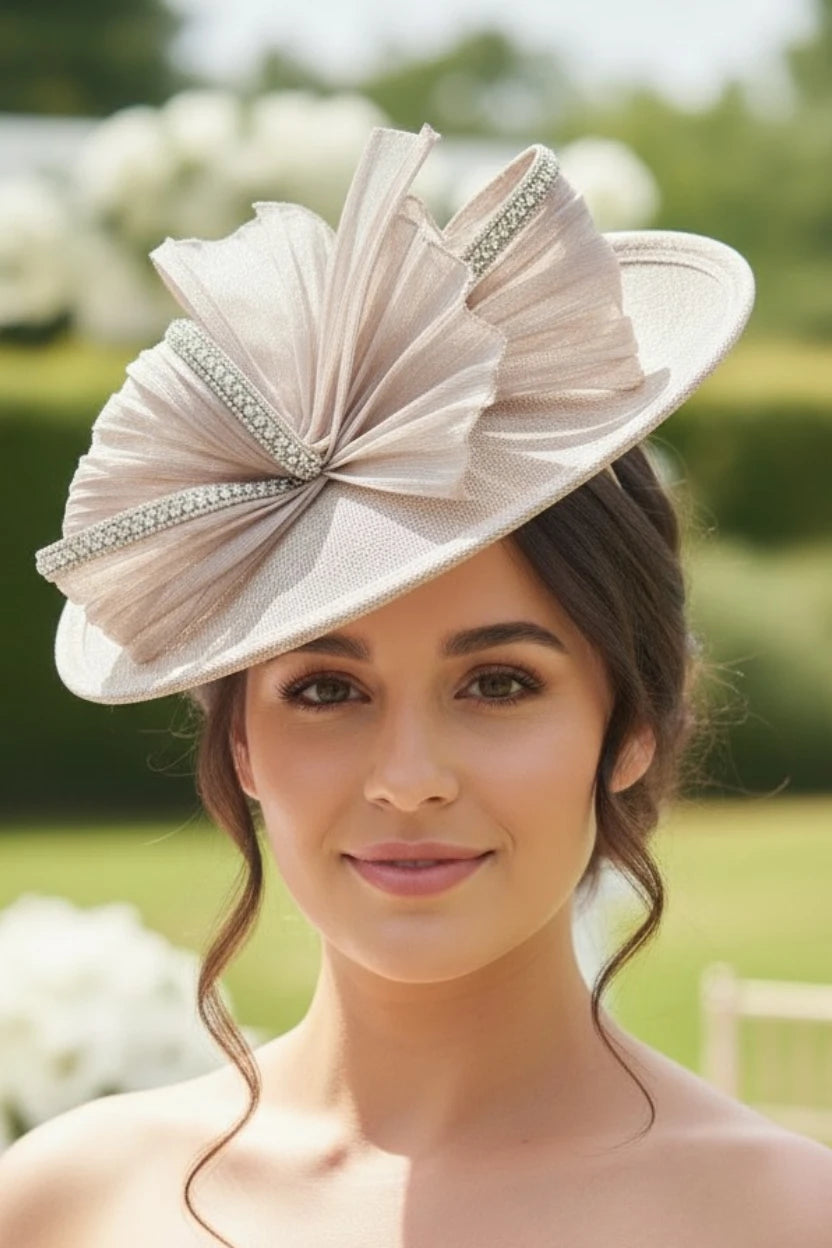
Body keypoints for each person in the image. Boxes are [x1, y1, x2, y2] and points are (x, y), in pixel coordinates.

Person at [1, 122, 830, 1247]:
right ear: (240, 739)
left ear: (632, 719)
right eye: (326, 691)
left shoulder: (781, 1219)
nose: (406, 780)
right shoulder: (65, 1203)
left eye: (495, 684)